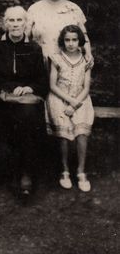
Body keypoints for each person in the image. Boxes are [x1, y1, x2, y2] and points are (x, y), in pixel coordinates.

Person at [0, 6, 48, 199]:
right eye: (11, 21)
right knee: (4, 123)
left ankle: (26, 174)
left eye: (19, 20)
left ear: (26, 23)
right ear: (5, 24)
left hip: (27, 101)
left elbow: (42, 80)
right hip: (2, 100)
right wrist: (5, 90)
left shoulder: (34, 48)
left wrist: (29, 88)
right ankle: (11, 172)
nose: (15, 24)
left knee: (27, 119)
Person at [46, 25, 94, 192]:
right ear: (63, 41)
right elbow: (52, 85)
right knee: (64, 133)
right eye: (67, 40)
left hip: (80, 98)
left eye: (74, 40)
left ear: (79, 41)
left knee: (81, 132)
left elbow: (86, 87)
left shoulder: (86, 60)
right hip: (59, 97)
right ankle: (64, 170)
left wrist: (75, 104)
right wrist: (68, 101)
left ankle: (81, 171)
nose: (71, 43)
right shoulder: (56, 58)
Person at [26, 0, 93, 65]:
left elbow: (84, 37)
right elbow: (25, 38)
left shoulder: (74, 9)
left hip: (69, 65)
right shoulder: (34, 9)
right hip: (39, 65)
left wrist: (88, 53)